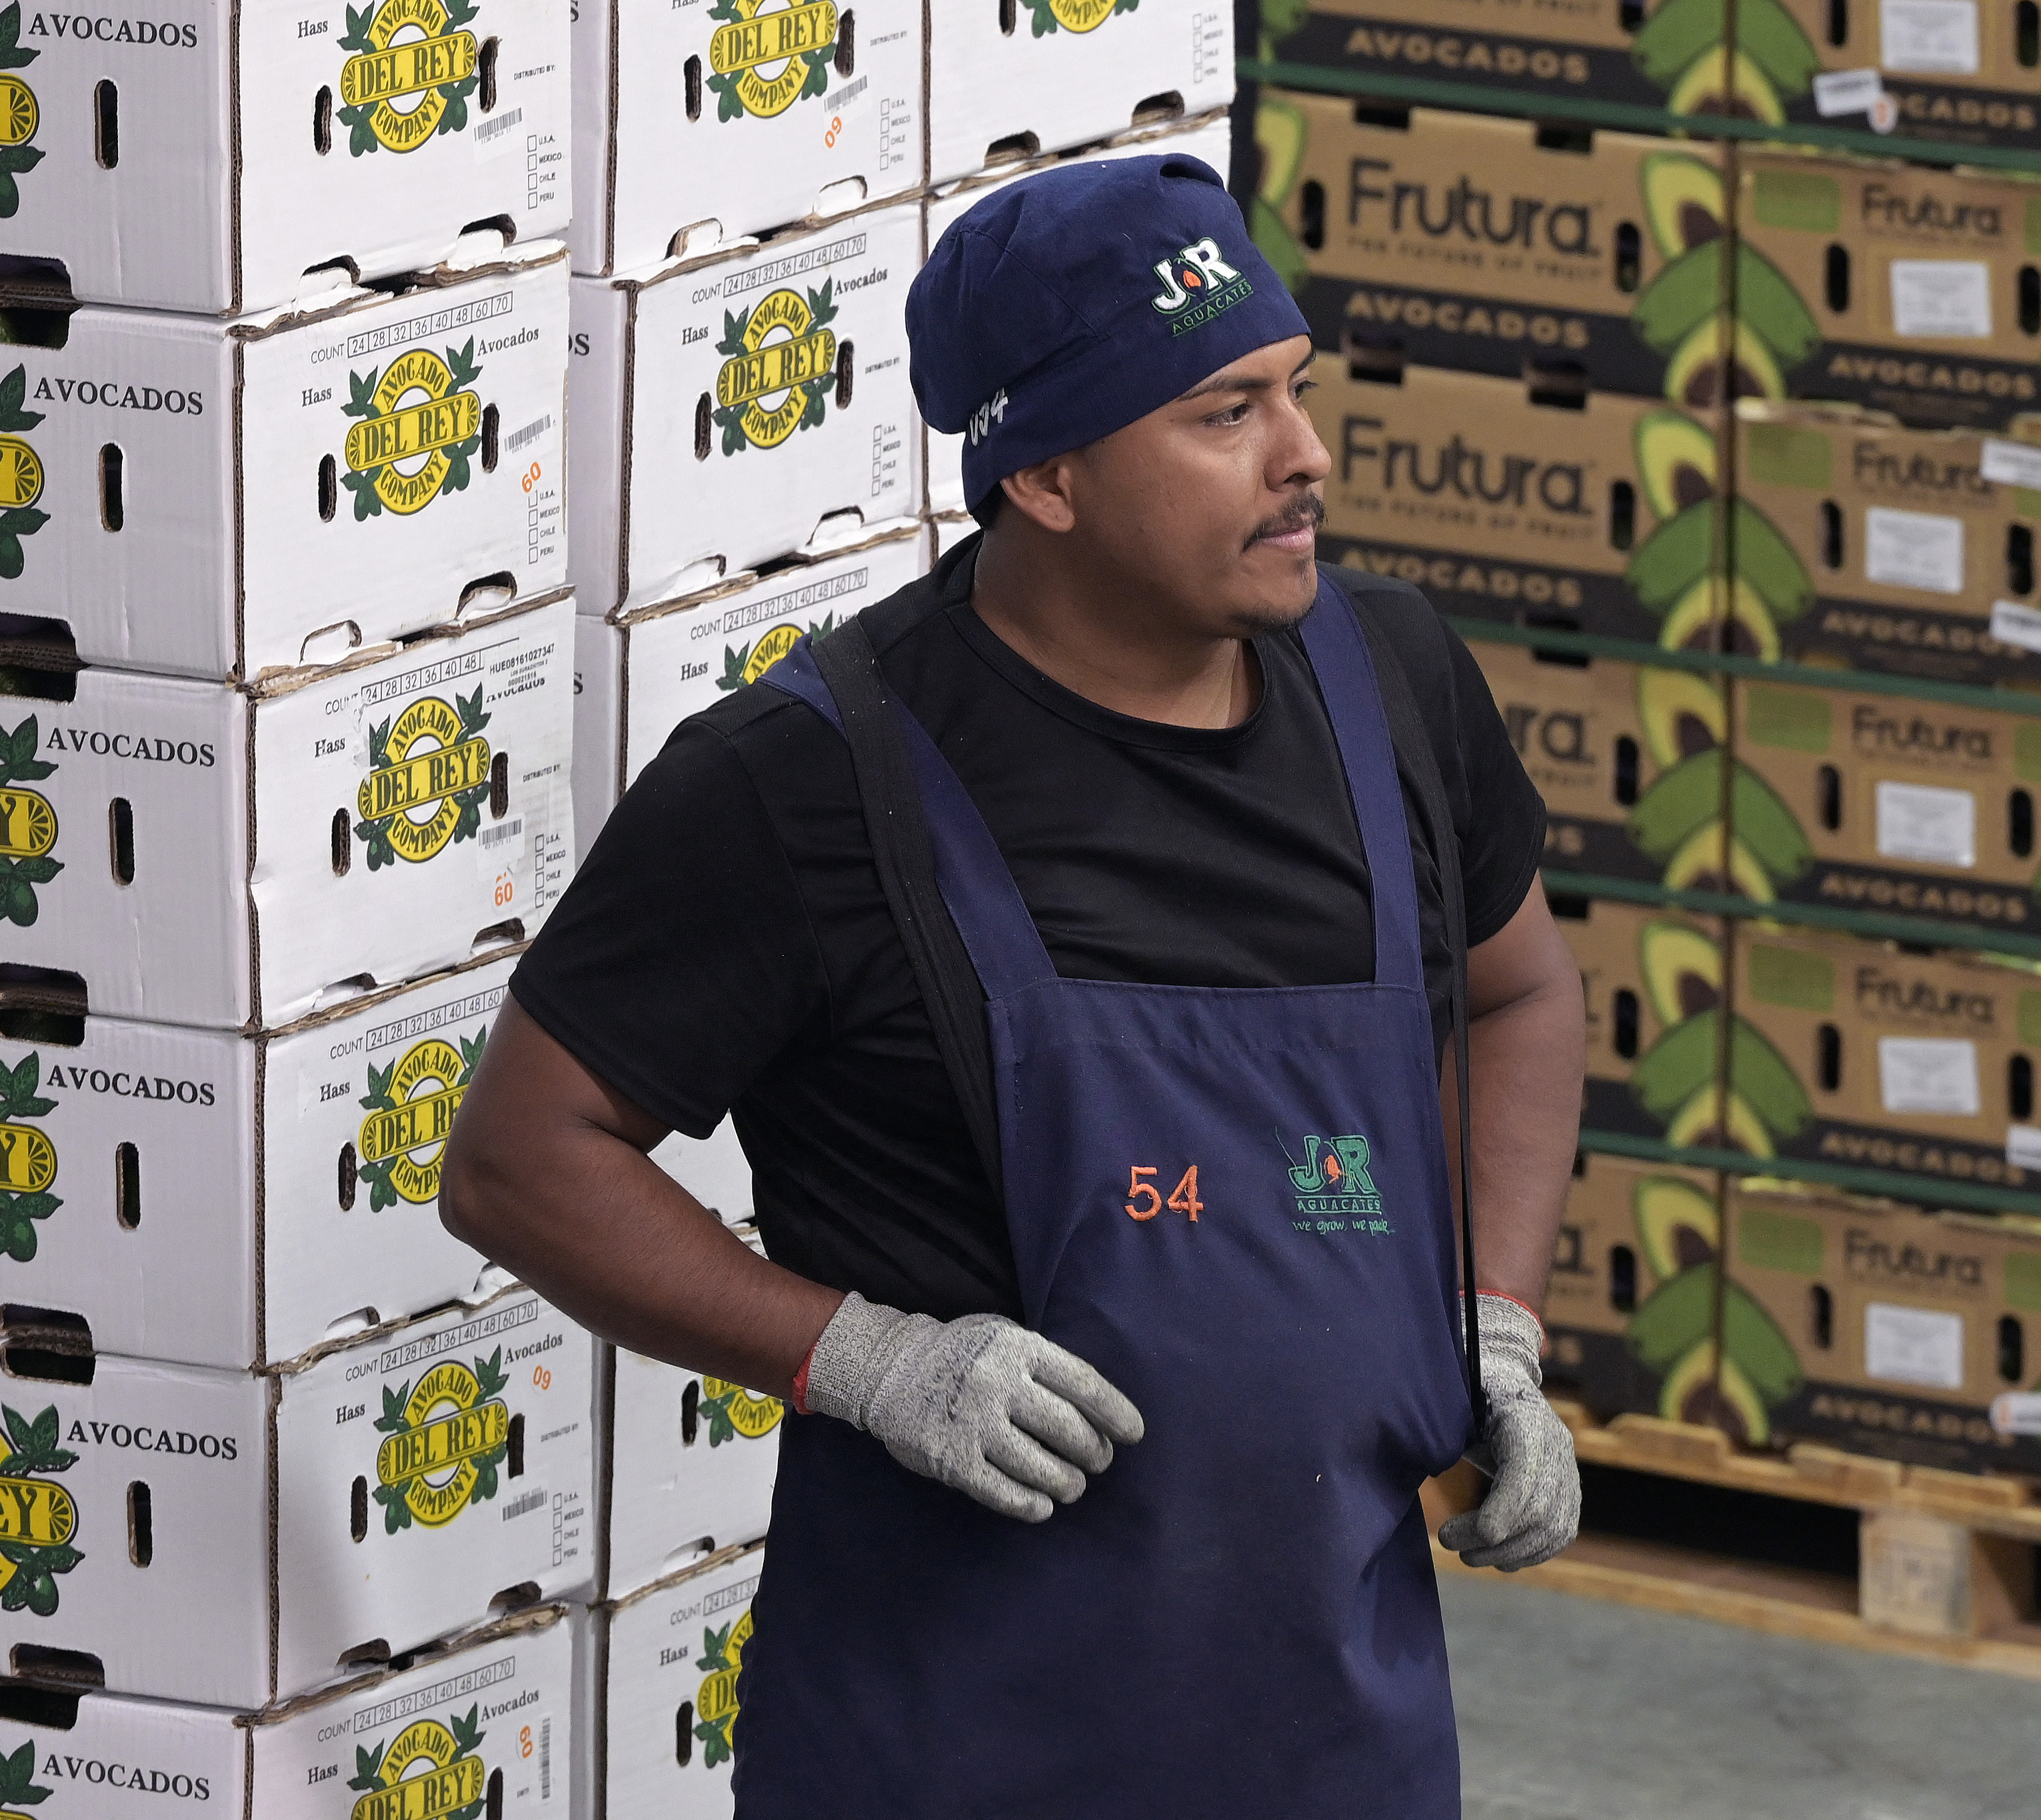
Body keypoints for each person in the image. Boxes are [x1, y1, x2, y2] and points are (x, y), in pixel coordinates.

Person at [437, 153, 1587, 1817]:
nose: (1303, 457)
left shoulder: (1392, 684)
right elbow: (519, 1154)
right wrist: (863, 1357)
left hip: (1335, 1731)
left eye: (1294, 391)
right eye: (1221, 414)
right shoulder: (810, 783)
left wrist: (1495, 1321)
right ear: (1044, 476)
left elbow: (1519, 994)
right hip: (954, 1741)